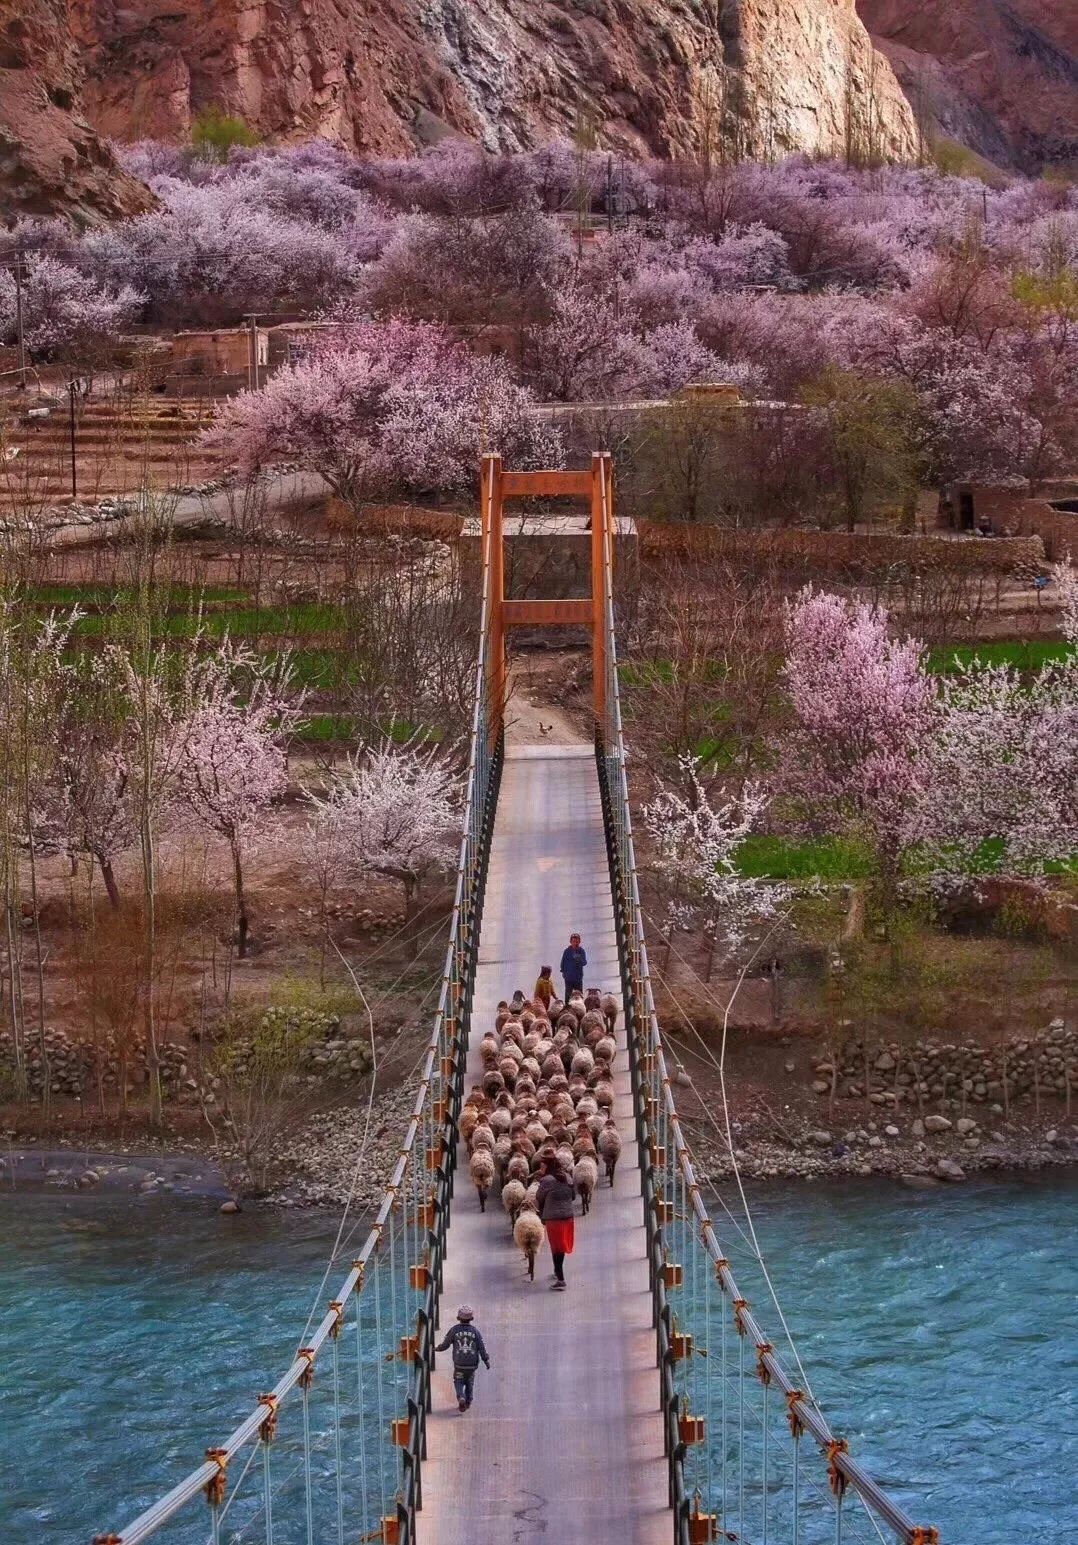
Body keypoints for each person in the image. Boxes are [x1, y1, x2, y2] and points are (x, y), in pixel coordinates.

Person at [436, 1304, 491, 1412]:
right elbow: (482, 1348)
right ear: (471, 1319)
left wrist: (436, 1349)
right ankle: (468, 1401)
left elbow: (445, 1345)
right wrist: (486, 1360)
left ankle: (461, 1397)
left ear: (458, 1318)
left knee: (458, 1381)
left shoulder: (454, 1330)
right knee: (470, 1382)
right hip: (472, 1366)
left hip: (459, 1365)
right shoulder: (475, 1332)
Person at [537, 1157, 576, 1290]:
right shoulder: (567, 1177)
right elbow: (573, 1196)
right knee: (561, 1246)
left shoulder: (546, 1180)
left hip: (553, 1218)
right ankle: (557, 1271)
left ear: (548, 1167)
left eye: (542, 1166)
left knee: (556, 1248)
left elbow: (539, 1197)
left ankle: (560, 1279)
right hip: (568, 1217)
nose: (541, 1169)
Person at [559, 933, 587, 1000]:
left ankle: (580, 1008)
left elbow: (584, 962)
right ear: (570, 942)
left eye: (577, 942)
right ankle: (567, 1008)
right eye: (573, 941)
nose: (575, 943)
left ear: (579, 942)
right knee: (568, 995)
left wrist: (578, 958)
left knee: (579, 995)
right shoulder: (567, 951)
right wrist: (563, 972)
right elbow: (563, 962)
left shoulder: (581, 951)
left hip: (578, 977)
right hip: (568, 977)